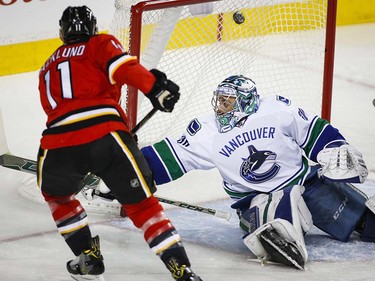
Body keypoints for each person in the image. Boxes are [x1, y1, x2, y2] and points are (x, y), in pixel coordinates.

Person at [134, 75, 372, 269]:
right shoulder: (207, 131)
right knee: (279, 210)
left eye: (226, 102)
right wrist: (127, 170)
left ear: (245, 102)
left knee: (364, 219)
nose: (220, 107)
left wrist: (335, 146)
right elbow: (168, 158)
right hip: (256, 200)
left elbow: (313, 131)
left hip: (308, 185)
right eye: (219, 101)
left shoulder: (277, 109)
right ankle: (273, 232)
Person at [37, 6, 202, 281]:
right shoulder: (100, 43)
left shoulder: (46, 67)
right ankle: (181, 268)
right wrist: (155, 89)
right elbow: (123, 68)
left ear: (62, 32)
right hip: (106, 136)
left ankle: (87, 256)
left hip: (57, 144)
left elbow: (59, 109)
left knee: (58, 197)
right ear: (92, 28)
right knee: (141, 205)